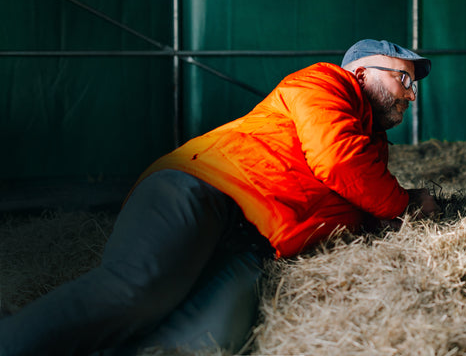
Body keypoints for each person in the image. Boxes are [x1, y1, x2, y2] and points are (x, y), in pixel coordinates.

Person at [0, 38, 441, 355]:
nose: (410, 93)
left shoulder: (372, 144)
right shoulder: (325, 83)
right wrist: (404, 205)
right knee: (135, 291)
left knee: (207, 341)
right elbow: (340, 163)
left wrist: (389, 214)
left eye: (414, 86)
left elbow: (356, 198)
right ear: (361, 72)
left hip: (256, 242)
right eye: (404, 78)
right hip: (205, 188)